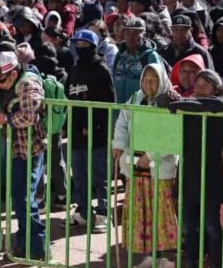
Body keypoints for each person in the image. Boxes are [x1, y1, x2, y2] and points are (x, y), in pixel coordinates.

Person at [0, 51, 48, 259]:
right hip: (16, 146)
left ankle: (37, 247)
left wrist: (5, 118)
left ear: (14, 74)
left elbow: (30, 116)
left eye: (1, 80)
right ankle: (23, 244)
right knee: (18, 198)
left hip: (30, 148)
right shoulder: (5, 81)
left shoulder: (28, 85)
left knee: (25, 199)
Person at [112, 63, 181, 268]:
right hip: (136, 164)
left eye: (153, 80)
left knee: (163, 213)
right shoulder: (135, 98)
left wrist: (151, 155)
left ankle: (167, 258)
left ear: (161, 81)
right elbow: (123, 122)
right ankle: (151, 256)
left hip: (160, 167)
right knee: (144, 213)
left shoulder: (170, 101)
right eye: (145, 79)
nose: (148, 84)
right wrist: (118, 144)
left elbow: (172, 134)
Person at [168, 70, 223, 268]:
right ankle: (193, 259)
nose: (199, 88)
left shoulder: (221, 104)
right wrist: (175, 100)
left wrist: (179, 103)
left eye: (205, 85)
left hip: (211, 173)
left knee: (212, 225)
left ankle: (217, 261)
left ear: (215, 88)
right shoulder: (188, 104)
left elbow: (220, 105)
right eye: (197, 85)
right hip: (188, 172)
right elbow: (164, 103)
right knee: (188, 225)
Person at [64, 30, 114, 231]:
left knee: (99, 176)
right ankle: (83, 212)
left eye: (85, 45)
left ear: (93, 47)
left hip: (97, 135)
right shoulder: (74, 70)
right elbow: (68, 97)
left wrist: (95, 128)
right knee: (80, 176)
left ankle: (103, 214)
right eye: (78, 44)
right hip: (76, 135)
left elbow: (109, 103)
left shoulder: (102, 70)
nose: (80, 49)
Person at [113, 17, 164, 103]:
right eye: (127, 32)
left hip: (140, 109)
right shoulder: (119, 55)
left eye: (136, 32)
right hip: (117, 110)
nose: (130, 36)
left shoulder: (151, 56)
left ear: (144, 35)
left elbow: (159, 85)